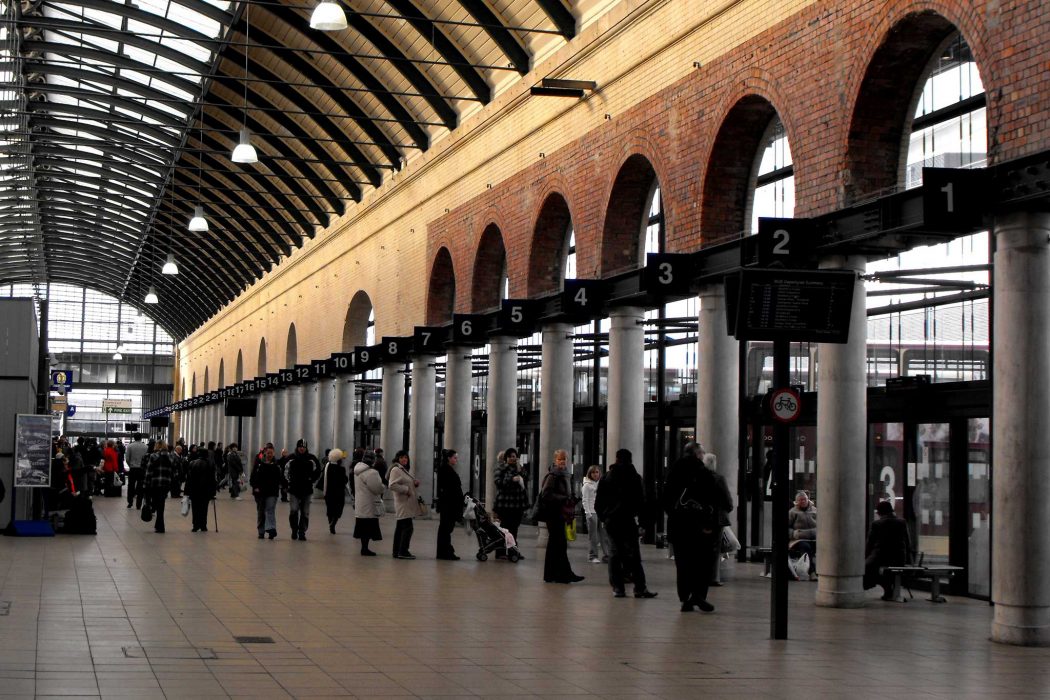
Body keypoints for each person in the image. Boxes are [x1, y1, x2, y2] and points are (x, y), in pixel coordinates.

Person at [663, 442, 731, 612]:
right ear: (698, 454)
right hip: (701, 528)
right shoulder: (705, 474)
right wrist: (708, 524)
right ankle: (699, 596)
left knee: (683, 564)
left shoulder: (673, 473)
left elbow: (665, 500)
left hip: (678, 527)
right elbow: (720, 502)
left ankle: (685, 598)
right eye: (702, 452)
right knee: (702, 563)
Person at [595, 449, 655, 598]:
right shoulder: (635, 478)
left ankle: (618, 587)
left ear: (616, 459)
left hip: (612, 521)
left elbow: (599, 503)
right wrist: (642, 523)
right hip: (628, 520)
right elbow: (642, 502)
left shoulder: (607, 478)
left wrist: (605, 517)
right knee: (634, 554)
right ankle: (640, 587)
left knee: (614, 554)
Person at [539, 449, 584, 584]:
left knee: (555, 545)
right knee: (559, 544)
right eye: (559, 459)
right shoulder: (553, 475)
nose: (562, 462)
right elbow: (546, 495)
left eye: (564, 459)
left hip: (560, 514)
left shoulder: (565, 475)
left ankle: (553, 575)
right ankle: (564, 574)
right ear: (555, 460)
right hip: (553, 515)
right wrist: (564, 498)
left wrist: (572, 499)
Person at [864, 500, 913, 600]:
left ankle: (885, 588)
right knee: (882, 570)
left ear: (879, 512)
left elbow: (870, 544)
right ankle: (888, 589)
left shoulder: (876, 524)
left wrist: (865, 557)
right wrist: (909, 558)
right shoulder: (902, 522)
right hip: (899, 558)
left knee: (865, 569)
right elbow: (908, 542)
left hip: (880, 557)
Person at [493, 447, 528, 558]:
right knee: (504, 528)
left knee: (514, 529)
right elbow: (498, 483)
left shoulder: (519, 468)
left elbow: (526, 478)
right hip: (505, 505)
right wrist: (511, 479)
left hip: (517, 505)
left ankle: (513, 551)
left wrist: (520, 470)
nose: (513, 459)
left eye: (515, 456)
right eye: (511, 457)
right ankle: (501, 552)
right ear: (506, 458)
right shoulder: (501, 468)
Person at [387, 450, 423, 559]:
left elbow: (403, 481)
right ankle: (403, 551)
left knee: (400, 528)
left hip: (405, 502)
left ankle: (397, 551)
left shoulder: (402, 469)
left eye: (406, 458)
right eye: (402, 457)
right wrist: (406, 490)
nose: (405, 460)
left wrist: (413, 484)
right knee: (408, 528)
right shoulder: (396, 470)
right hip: (403, 503)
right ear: (398, 458)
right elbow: (392, 485)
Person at [286, 439, 322, 541]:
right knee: (294, 510)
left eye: (304, 447)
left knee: (305, 512)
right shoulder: (291, 458)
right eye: (300, 446)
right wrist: (287, 483)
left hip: (306, 489)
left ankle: (302, 531)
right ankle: (294, 529)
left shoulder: (311, 459)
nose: (302, 448)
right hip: (294, 489)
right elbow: (285, 470)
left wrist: (312, 479)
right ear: (297, 447)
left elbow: (318, 470)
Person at [353, 450, 385, 555]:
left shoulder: (357, 470)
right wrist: (383, 487)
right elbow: (377, 488)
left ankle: (364, 548)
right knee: (367, 528)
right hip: (369, 503)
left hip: (361, 503)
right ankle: (365, 549)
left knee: (363, 528)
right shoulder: (371, 473)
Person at [250, 443, 283, 539]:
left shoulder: (276, 464)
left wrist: (282, 485)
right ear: (265, 452)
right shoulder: (259, 463)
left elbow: (279, 477)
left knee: (270, 509)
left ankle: (271, 529)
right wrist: (255, 486)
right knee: (261, 511)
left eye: (271, 453)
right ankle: (261, 531)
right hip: (260, 491)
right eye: (268, 453)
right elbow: (253, 476)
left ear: (274, 453)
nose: (270, 454)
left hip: (272, 491)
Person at [435, 449, 463, 560]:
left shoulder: (446, 469)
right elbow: (450, 488)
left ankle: (444, 551)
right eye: (455, 457)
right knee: (446, 529)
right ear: (449, 458)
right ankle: (445, 552)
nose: (456, 459)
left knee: (445, 529)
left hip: (448, 503)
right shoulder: (445, 470)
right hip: (448, 504)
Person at [143, 441, 173, 534]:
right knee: (161, 504)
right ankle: (159, 525)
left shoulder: (153, 456)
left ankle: (160, 526)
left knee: (156, 504)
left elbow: (149, 472)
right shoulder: (170, 457)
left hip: (155, 484)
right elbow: (173, 471)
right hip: (165, 484)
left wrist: (145, 484)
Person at [581, 465, 609, 563]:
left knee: (604, 535)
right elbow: (585, 500)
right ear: (590, 473)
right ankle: (592, 556)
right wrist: (588, 514)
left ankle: (607, 555)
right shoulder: (587, 485)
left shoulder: (601, 484)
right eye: (593, 472)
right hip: (592, 512)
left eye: (597, 472)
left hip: (600, 512)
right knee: (593, 536)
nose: (595, 474)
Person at [185, 447, 216, 532]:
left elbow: (189, 478)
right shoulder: (210, 464)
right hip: (205, 490)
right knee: (204, 508)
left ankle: (195, 525)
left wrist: (186, 491)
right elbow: (212, 479)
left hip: (194, 490)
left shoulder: (192, 463)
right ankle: (203, 525)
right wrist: (213, 492)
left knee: (195, 508)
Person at [788, 490, 817, 578]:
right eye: (801, 500)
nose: (803, 501)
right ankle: (812, 572)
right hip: (799, 539)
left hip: (815, 538)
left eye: (805, 499)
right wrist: (793, 534)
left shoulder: (815, 510)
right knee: (806, 547)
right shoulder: (792, 512)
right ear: (797, 501)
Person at [322, 449, 349, 533]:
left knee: (330, 509)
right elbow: (344, 480)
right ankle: (333, 523)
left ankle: (331, 522)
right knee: (338, 510)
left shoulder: (327, 467)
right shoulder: (341, 469)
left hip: (328, 492)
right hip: (339, 493)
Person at [125, 434, 148, 509]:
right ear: (141, 438)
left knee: (131, 485)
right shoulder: (145, 447)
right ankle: (138, 504)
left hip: (133, 468)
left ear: (134, 437)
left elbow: (127, 458)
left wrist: (130, 465)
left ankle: (130, 502)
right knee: (140, 487)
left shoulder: (130, 446)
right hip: (141, 469)